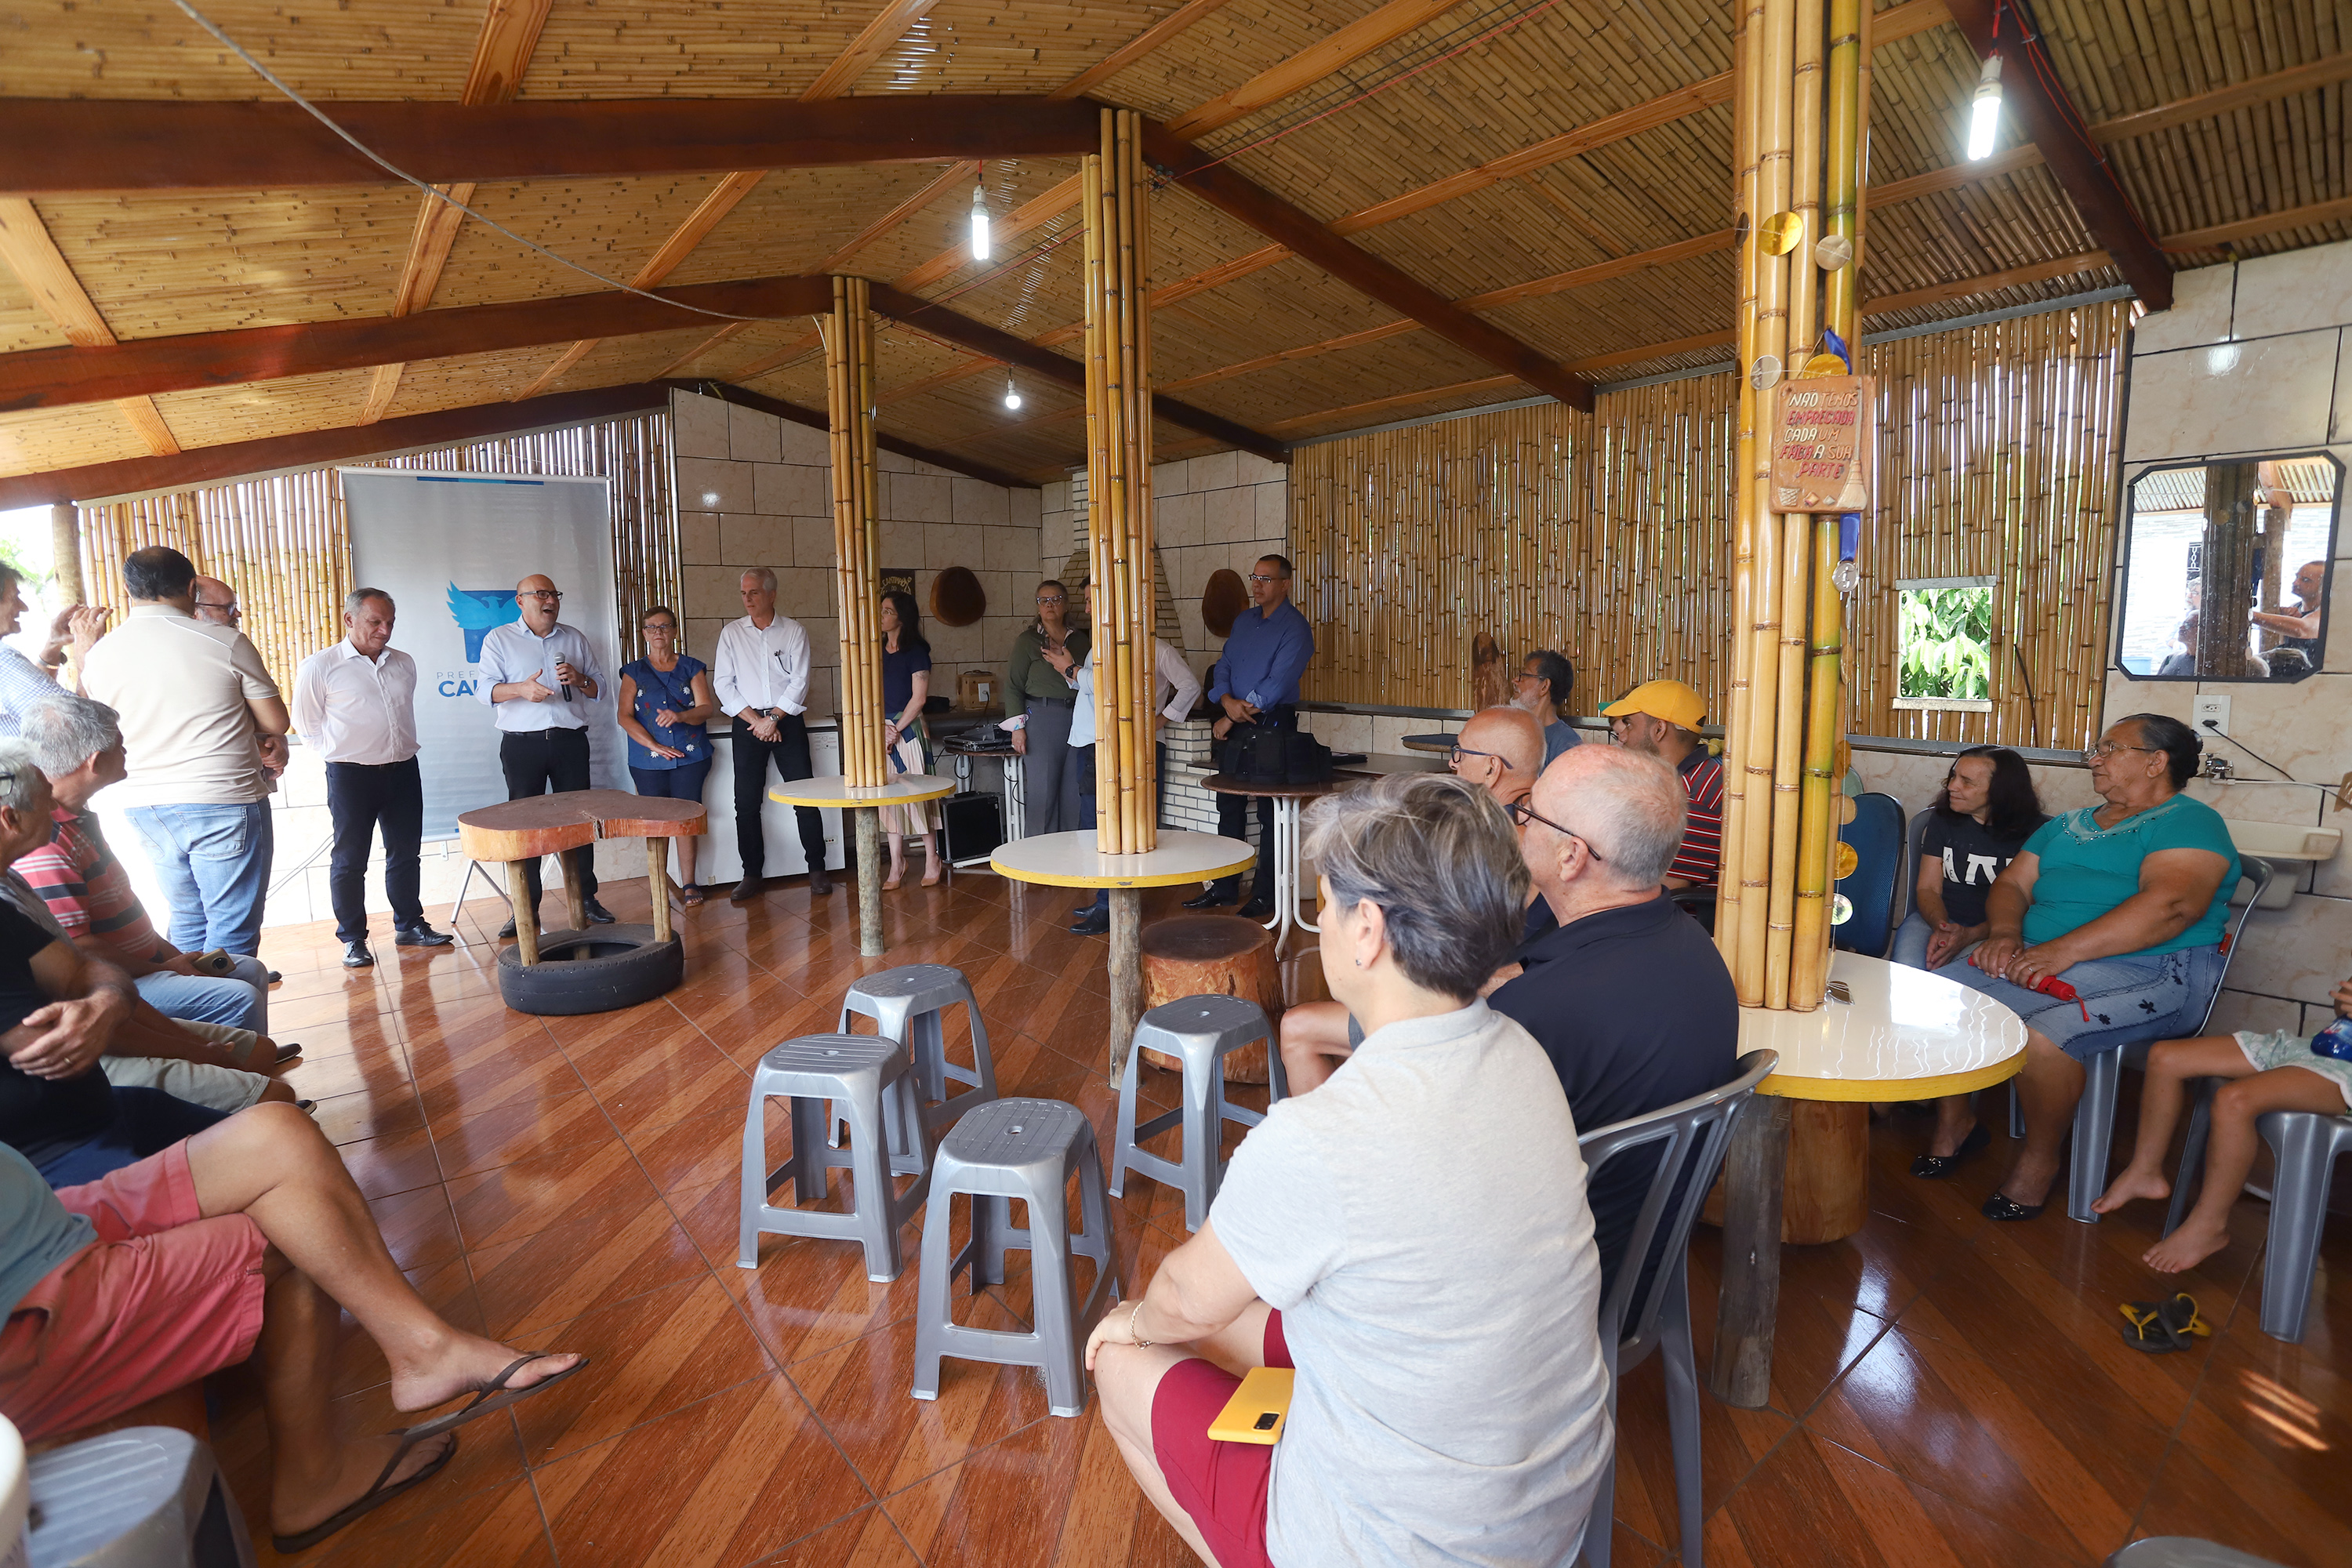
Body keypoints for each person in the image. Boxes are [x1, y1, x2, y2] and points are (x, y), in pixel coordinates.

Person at [1085, 773, 1610, 1567]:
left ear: (1367, 929)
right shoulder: (1521, 1052)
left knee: (1124, 1356)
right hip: (1548, 1512)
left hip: (1399, 1545)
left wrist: (1128, 1321)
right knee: (1230, 1322)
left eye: (1325, 904)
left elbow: (1181, 1297)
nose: (1321, 923)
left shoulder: (1321, 1135)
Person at [0, 1105, 584, 1552]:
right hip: (27, 1299)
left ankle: (421, 1349)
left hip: (42, 1216)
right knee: (295, 1229)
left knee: (277, 1133)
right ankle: (316, 1475)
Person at [1937, 713, 2239, 1221]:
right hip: (2036, 953)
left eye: (2109, 749)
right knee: (1935, 1000)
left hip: (2151, 971)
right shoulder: (2066, 825)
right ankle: (1956, 1121)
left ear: (2155, 762)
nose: (2093, 760)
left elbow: (2173, 906)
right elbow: (2012, 885)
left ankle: (2039, 1160)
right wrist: (2007, 932)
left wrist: (2061, 951)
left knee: (2045, 1038)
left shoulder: (2190, 821)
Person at [1490, 744, 1740, 1300]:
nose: (1519, 822)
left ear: (1572, 857)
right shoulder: (1691, 945)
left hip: (1545, 1299)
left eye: (1529, 812)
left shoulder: (1539, 1015)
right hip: (1638, 1262)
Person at [0, 741, 289, 1120]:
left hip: (116, 1013)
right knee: (278, 1100)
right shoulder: (39, 865)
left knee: (260, 1051)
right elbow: (78, 1030)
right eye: (44, 799)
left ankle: (235, 1103)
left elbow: (84, 974)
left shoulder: (14, 880)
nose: (53, 808)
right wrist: (196, 1052)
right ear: (11, 819)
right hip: (90, 1062)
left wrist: (122, 997)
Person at [17, 697, 274, 1035]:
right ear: (95, 761)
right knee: (238, 997)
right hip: (111, 983)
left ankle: (253, 1056)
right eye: (120, 746)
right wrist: (162, 969)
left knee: (249, 971)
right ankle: (244, 1075)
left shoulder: (76, 820)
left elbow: (126, 913)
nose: (126, 753)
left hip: (143, 966)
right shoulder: (47, 842)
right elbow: (79, 945)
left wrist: (173, 960)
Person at [78, 547, 288, 960]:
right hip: (223, 799)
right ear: (192, 587)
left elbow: (93, 725)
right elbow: (276, 722)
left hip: (144, 805)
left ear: (128, 589)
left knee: (187, 919)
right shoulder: (225, 641)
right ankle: (233, 1022)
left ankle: (192, 1023)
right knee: (232, 930)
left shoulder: (99, 655)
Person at [2095, 971, 2352, 1272]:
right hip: (2320, 1050)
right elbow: (2342, 1013)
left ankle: (2210, 1226)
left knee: (2235, 1100)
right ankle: (2144, 1171)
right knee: (2165, 1057)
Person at [1890, 746, 2048, 1177]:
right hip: (1937, 920)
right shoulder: (1944, 821)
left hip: (1998, 932)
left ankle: (1951, 1115)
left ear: (2000, 791)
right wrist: (1943, 925)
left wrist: (1972, 934)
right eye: (1952, 777)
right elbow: (1926, 889)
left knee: (1948, 999)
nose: (1952, 787)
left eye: (1967, 782)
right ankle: (1912, 1082)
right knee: (1905, 981)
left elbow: (2031, 906)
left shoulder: (2039, 833)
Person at [292, 590, 452, 969]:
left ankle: (410, 925)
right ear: (349, 620)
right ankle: (353, 939)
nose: (385, 630)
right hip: (350, 776)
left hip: (402, 770)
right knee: (350, 860)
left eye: (390, 623)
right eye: (375, 622)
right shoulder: (321, 665)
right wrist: (340, 756)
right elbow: (305, 726)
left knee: (406, 853)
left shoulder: (404, 663)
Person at [474, 573, 615, 935]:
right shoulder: (499, 639)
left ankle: (587, 898)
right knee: (525, 826)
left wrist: (581, 679)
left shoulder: (574, 637)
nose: (549, 600)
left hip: (569, 742)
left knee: (581, 822)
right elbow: (485, 692)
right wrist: (521, 689)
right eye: (540, 594)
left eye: (553, 594)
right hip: (523, 745)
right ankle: (526, 908)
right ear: (520, 601)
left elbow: (600, 689)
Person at [1058, 583, 1203, 935]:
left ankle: (1111, 906)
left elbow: (1190, 686)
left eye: (1093, 602)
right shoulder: (1101, 646)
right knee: (1096, 821)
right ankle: (1105, 897)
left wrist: (1159, 720)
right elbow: (1096, 687)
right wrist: (1070, 672)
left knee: (1120, 824)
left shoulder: (1156, 649)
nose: (1089, 610)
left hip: (1121, 747)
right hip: (1095, 743)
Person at [1190, 554, 1314, 917]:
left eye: (1266, 579)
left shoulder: (1295, 627)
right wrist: (1225, 701)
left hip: (1272, 725)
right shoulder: (1244, 620)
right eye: (1254, 577)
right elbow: (1224, 664)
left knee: (1268, 812)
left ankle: (1266, 895)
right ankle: (1224, 888)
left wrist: (1233, 717)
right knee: (1228, 806)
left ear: (1285, 584)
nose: (1257, 584)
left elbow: (1277, 683)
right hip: (1234, 719)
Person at [711, 568, 832, 905]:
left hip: (787, 721)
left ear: (772, 595)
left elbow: (800, 679)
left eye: (754, 593)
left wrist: (774, 718)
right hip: (747, 723)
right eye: (744, 594)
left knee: (804, 796)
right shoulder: (731, 634)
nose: (748, 599)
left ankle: (817, 869)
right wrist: (756, 721)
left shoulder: (793, 631)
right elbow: (723, 683)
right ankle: (751, 874)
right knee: (746, 802)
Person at [617, 604, 716, 906]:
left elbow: (705, 709)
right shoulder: (633, 672)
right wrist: (654, 747)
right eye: (651, 628)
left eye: (664, 627)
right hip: (647, 761)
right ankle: (658, 882)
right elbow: (624, 716)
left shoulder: (692, 667)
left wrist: (681, 716)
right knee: (656, 822)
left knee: (686, 819)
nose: (658, 633)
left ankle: (688, 883)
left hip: (690, 757)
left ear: (674, 631)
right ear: (644, 633)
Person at [1603, 679, 1724, 893]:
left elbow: (1660, 891)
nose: (1623, 736)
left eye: (1629, 724)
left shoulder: (1691, 795)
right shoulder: (1697, 773)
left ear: (1659, 729)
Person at [1003, 580, 1089, 837]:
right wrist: (1017, 728)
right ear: (1038, 607)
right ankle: (1038, 862)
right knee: (1044, 792)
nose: (1050, 605)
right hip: (1042, 717)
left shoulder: (1082, 640)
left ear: (1066, 605)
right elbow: (1012, 685)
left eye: (1056, 599)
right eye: (1044, 601)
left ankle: (1072, 859)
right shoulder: (1027, 641)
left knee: (1074, 792)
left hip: (1079, 717)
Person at [877, 590, 942, 890]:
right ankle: (897, 862)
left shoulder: (916, 650)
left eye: (887, 611)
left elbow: (919, 698)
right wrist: (883, 728)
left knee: (919, 794)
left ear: (901, 617)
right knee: (889, 799)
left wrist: (896, 729)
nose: (882, 616)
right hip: (883, 727)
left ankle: (932, 858)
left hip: (909, 728)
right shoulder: (877, 650)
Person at [0, 565, 89, 736]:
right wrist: (85, 651)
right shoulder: (4, 659)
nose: (23, 607)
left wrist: (53, 646)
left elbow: (35, 705)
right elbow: (76, 721)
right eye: (14, 598)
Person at [1446, 704, 1545, 811]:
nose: (1452, 763)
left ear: (1491, 769)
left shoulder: (1488, 827)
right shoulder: (1552, 813)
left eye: (1462, 753)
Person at [1512, 648, 1581, 765]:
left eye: (1523, 675)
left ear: (1544, 686)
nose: (1514, 681)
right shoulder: (1513, 732)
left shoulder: (1567, 744)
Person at [2249, 558, 2325, 661]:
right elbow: (2286, 645)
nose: (2296, 583)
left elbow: (2302, 629)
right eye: (2297, 577)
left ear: (2324, 587)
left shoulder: (2330, 611)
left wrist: (2249, 615)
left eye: (2305, 580)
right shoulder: (2296, 607)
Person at [2156, 611, 2198, 677]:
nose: (2181, 628)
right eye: (2183, 624)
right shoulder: (2170, 658)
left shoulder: (2206, 664)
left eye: (2188, 625)